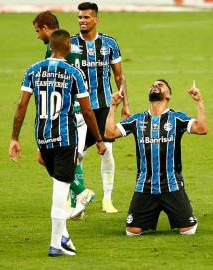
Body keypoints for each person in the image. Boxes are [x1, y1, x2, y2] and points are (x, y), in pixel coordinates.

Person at [9, 30, 106, 256]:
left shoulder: (32, 70)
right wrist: (99, 139)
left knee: (60, 185)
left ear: (51, 46)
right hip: (65, 138)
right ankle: (55, 244)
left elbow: (21, 107)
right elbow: (87, 110)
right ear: (67, 48)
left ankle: (64, 237)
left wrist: (14, 137)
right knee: (60, 190)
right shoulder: (74, 73)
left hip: (42, 137)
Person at [105, 79, 207, 235]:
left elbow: (201, 129)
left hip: (171, 185)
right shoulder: (137, 119)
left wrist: (199, 101)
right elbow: (109, 133)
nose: (155, 86)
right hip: (144, 186)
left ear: (169, 96)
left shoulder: (177, 118)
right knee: (132, 231)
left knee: (188, 230)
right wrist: (113, 106)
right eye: (153, 85)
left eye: (160, 85)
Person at [33, 11, 94, 219]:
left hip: (65, 114)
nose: (37, 36)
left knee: (63, 160)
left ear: (45, 29)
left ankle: (81, 194)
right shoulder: (76, 45)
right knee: (75, 159)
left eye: (37, 31)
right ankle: (76, 208)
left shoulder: (52, 55)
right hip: (81, 107)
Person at [70, 2, 130, 213]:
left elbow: (119, 76)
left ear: (96, 19)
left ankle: (107, 199)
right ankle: (77, 201)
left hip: (104, 106)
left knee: (108, 152)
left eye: (86, 17)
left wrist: (125, 104)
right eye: (80, 17)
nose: (82, 21)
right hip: (78, 109)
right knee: (77, 155)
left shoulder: (109, 43)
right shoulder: (71, 44)